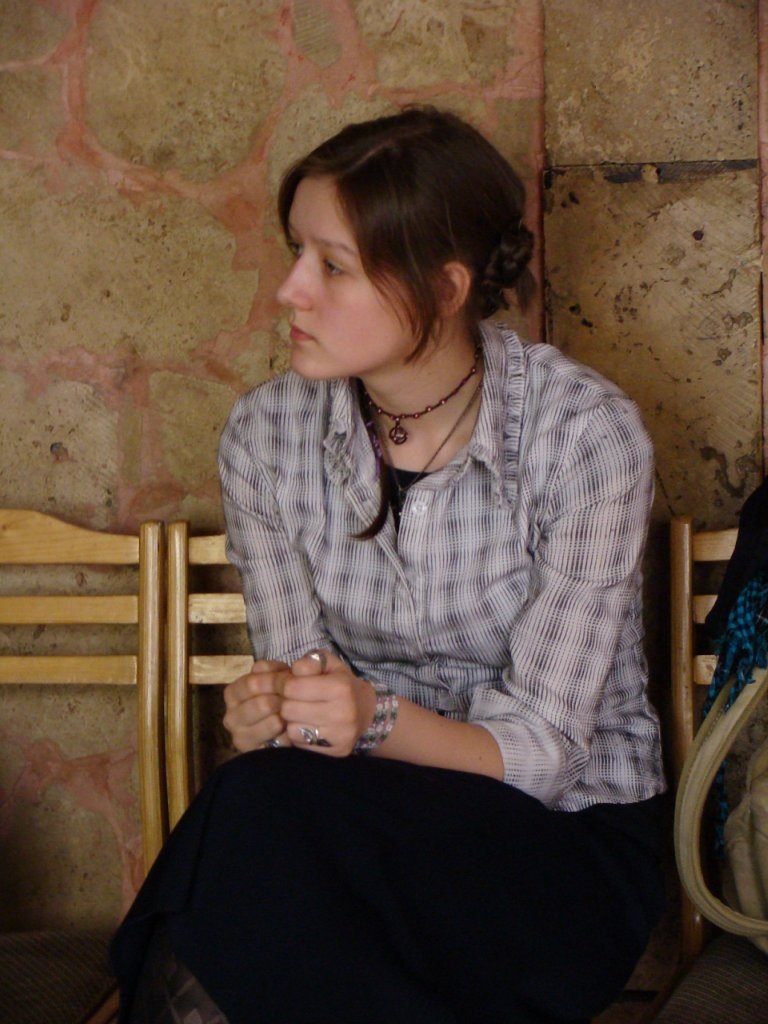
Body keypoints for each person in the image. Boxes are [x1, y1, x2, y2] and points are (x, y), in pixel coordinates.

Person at [111, 106, 666, 1024]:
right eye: (296, 252)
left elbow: (545, 756)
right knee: (262, 809)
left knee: (256, 836)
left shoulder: (583, 436)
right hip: (355, 830)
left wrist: (370, 719)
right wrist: (279, 711)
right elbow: (304, 693)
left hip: (559, 842)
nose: (290, 290)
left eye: (332, 266)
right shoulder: (265, 435)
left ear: (443, 287)